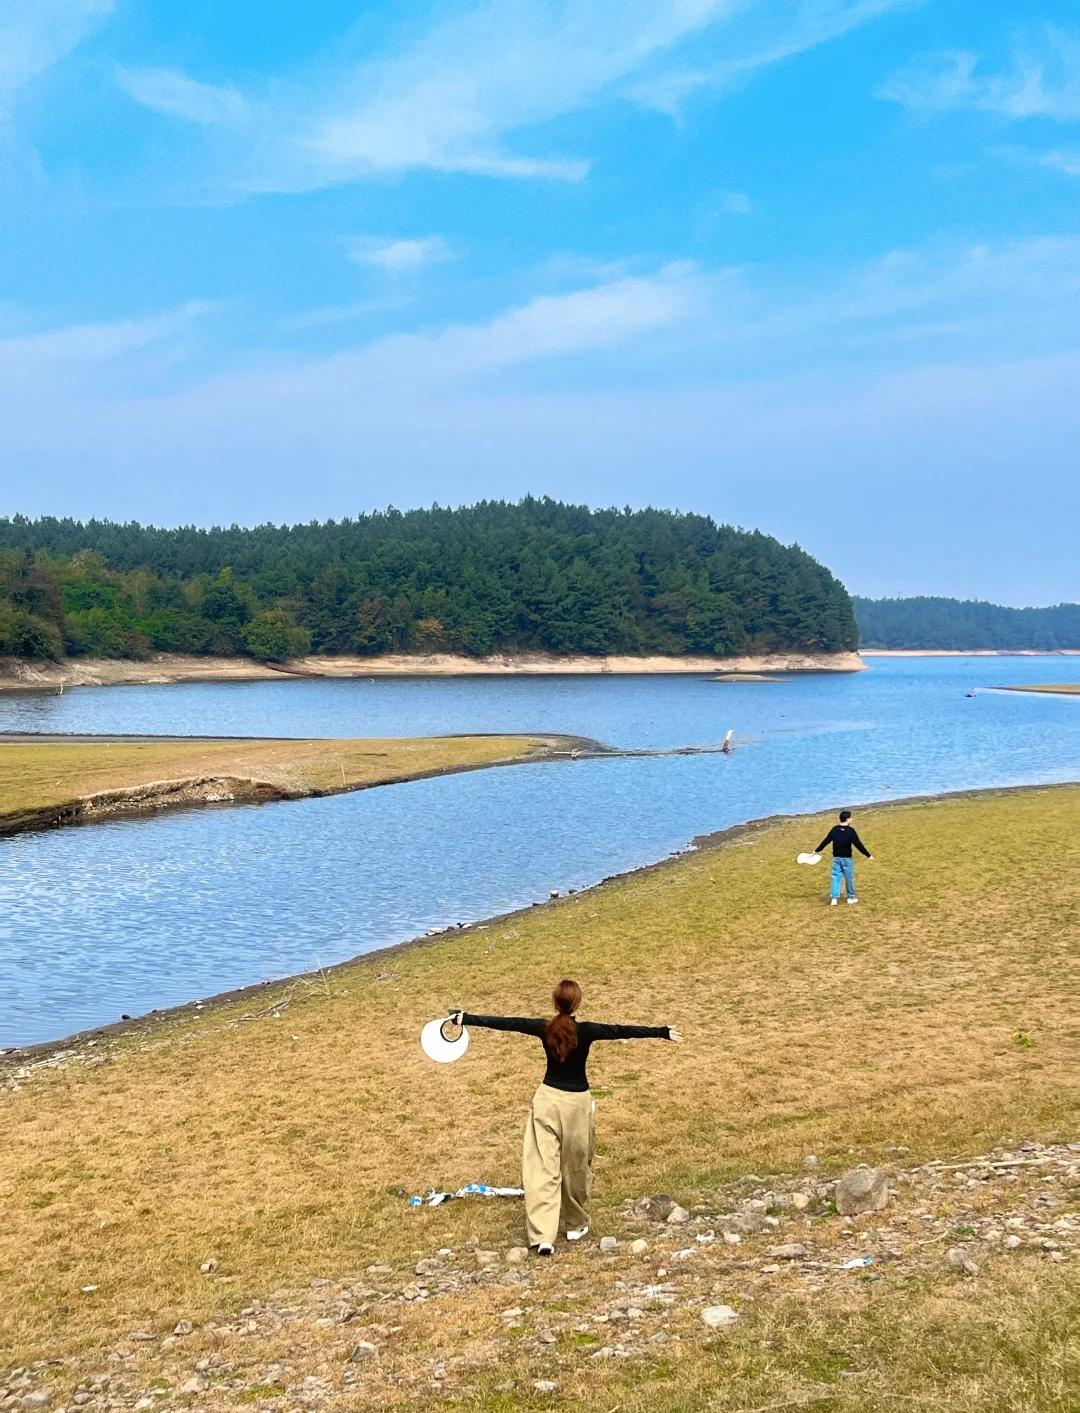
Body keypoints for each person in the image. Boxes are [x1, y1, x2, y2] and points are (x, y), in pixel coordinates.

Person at [450, 980, 681, 1255]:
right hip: (577, 1105)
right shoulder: (588, 1030)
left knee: (542, 1167)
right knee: (576, 1165)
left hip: (546, 1100)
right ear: (577, 1003)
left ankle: (543, 1236)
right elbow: (622, 1029)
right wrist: (662, 1032)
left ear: (555, 1002)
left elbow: (506, 1022)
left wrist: (465, 1018)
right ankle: (575, 1224)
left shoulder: (543, 1027)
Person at [814, 809, 873, 905]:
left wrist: (817, 850)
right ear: (848, 819)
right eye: (851, 818)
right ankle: (851, 897)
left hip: (836, 858)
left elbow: (826, 841)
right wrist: (868, 855)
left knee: (835, 877)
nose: (852, 819)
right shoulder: (851, 831)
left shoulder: (834, 829)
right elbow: (858, 844)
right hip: (847, 859)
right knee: (849, 878)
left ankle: (834, 898)